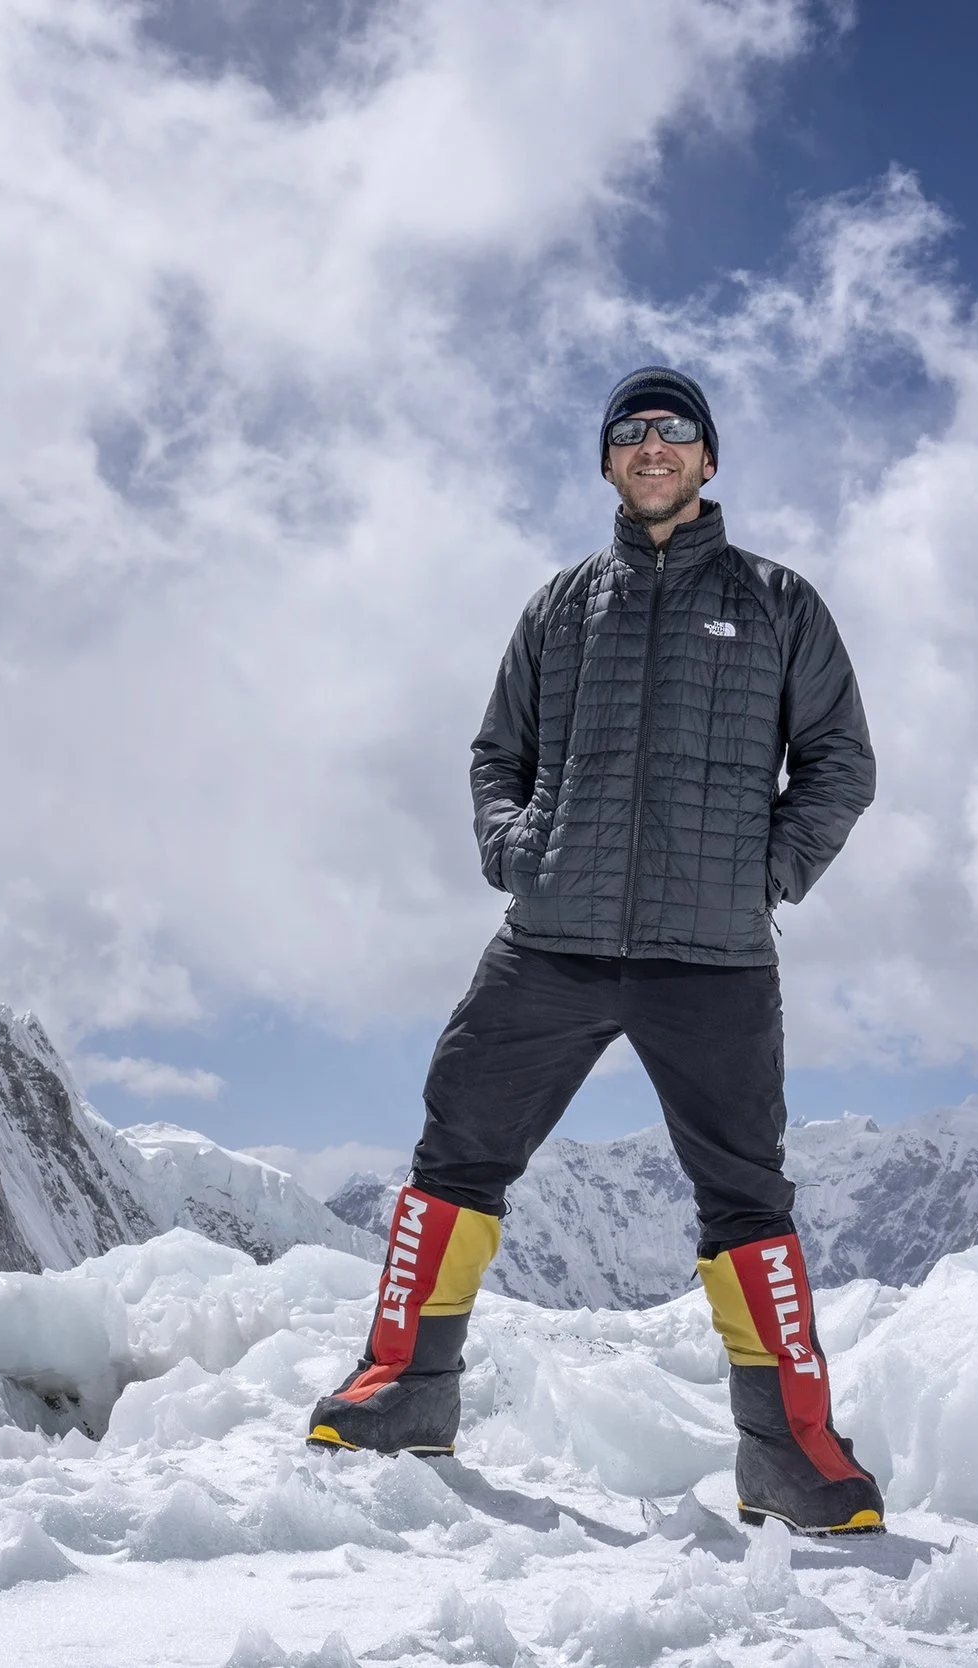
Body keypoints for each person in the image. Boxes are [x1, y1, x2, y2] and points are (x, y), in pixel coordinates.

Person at [304, 367, 885, 1536]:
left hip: (713, 956)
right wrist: (519, 850)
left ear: (708, 460)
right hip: (550, 940)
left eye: (674, 431)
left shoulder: (779, 602)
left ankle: (792, 1456)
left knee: (744, 1201)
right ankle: (405, 1391)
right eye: (631, 433)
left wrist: (763, 873)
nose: (652, 446)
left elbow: (839, 764)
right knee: (454, 1155)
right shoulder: (561, 606)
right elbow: (495, 755)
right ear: (609, 462)